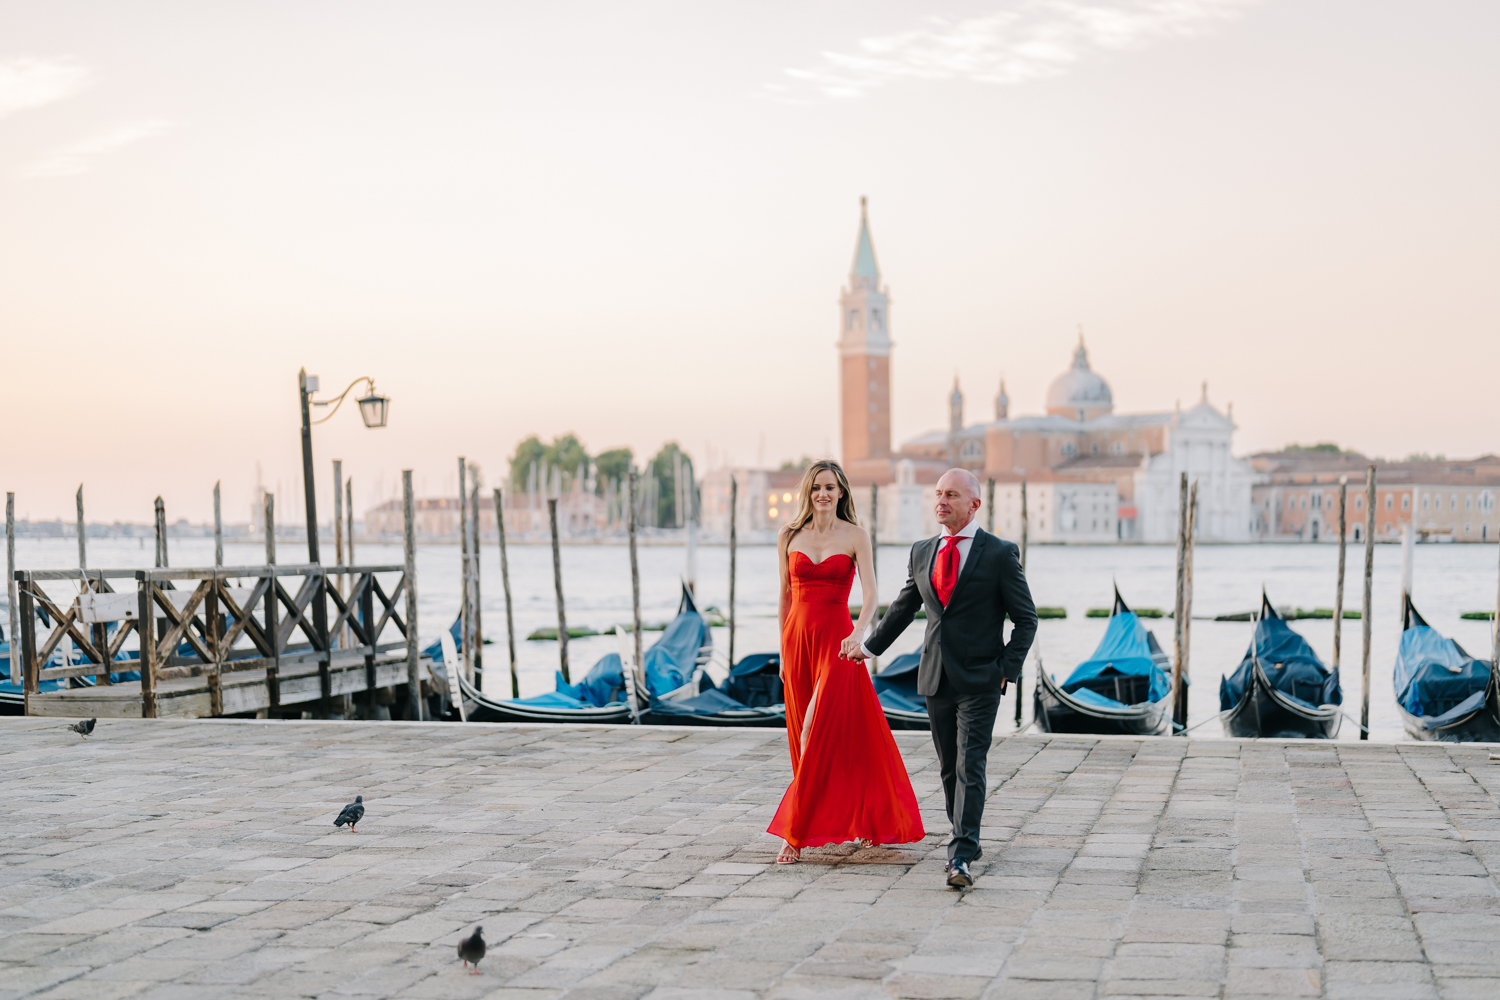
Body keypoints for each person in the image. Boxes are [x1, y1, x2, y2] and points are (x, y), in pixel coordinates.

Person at [847, 468, 1036, 887]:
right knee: (949, 767)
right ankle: (965, 835)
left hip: (982, 679)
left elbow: (1026, 620)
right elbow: (902, 609)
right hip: (934, 678)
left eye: (951, 494)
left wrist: (1006, 670)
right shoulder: (921, 551)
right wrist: (869, 647)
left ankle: (961, 855)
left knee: (971, 764)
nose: (941, 501)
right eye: (938, 494)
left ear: (974, 504)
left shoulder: (1000, 553)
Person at [768, 459, 924, 864]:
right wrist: (783, 653)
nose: (823, 493)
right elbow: (784, 597)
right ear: (809, 491)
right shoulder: (788, 535)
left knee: (815, 732)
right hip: (798, 639)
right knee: (806, 734)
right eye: (817, 487)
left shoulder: (856, 536)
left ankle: (794, 834)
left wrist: (859, 632)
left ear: (841, 493)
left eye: (831, 487)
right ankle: (854, 817)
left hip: (839, 642)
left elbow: (872, 594)